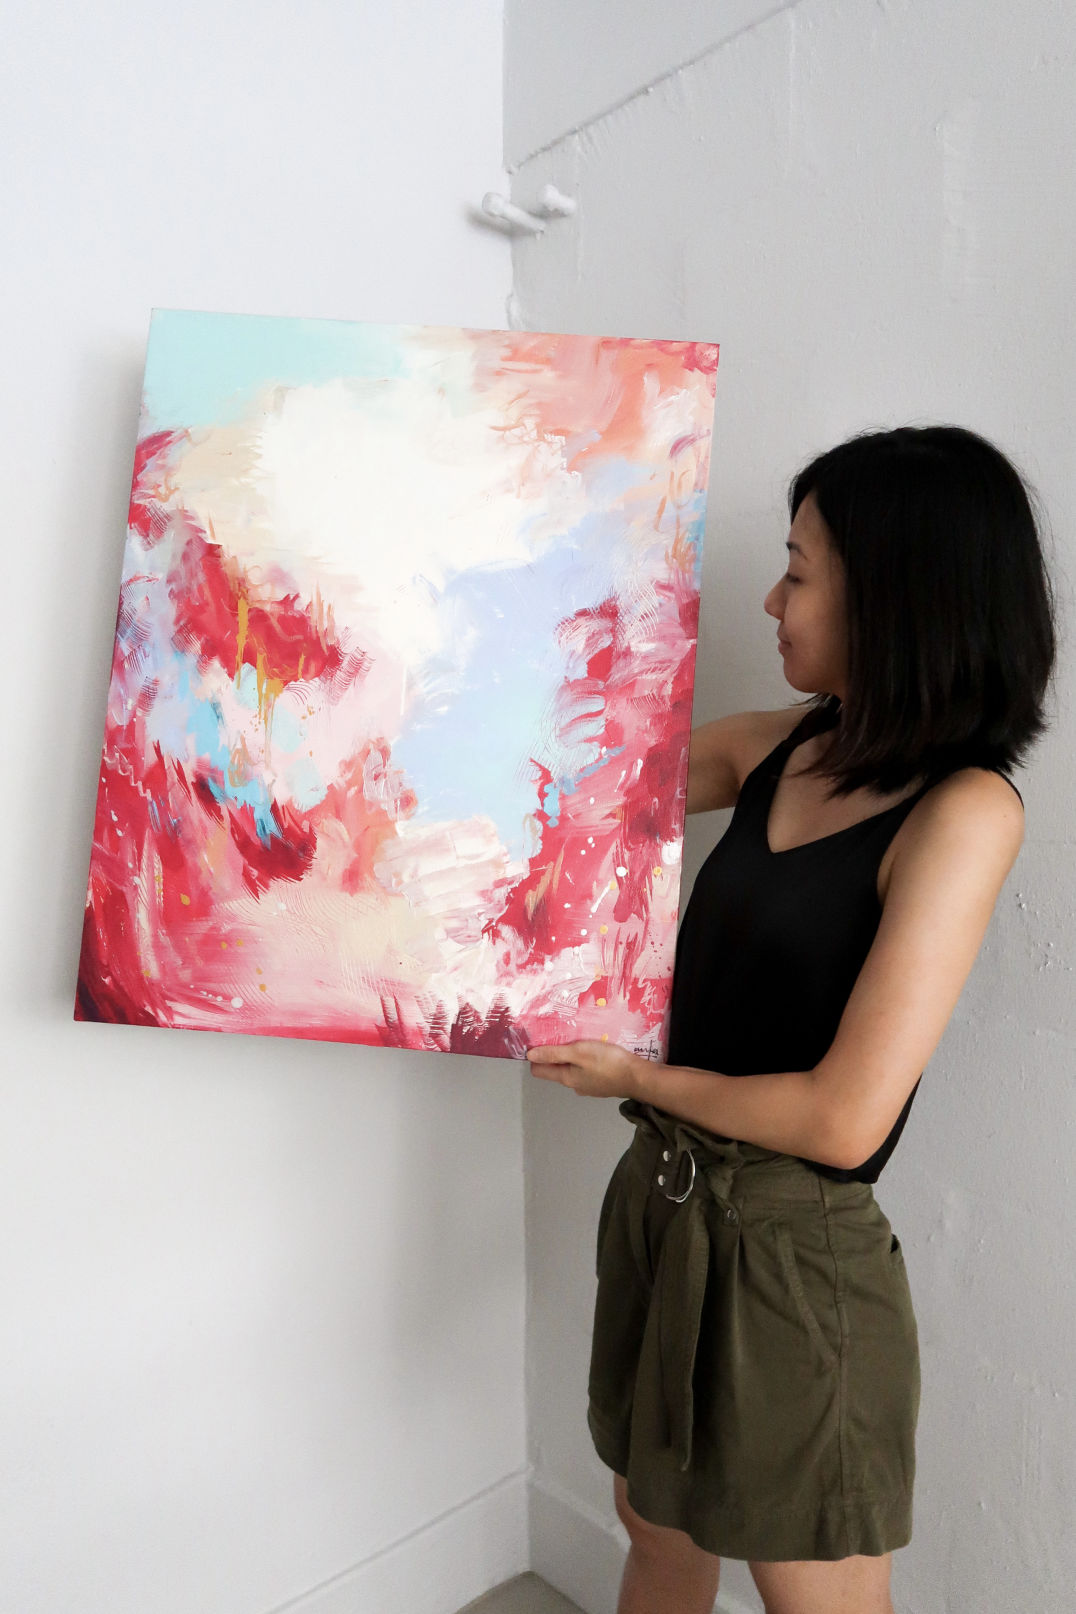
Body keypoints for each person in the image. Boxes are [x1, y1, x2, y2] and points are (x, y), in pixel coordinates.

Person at [526, 424, 1058, 1614]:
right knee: (652, 1531)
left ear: (895, 598)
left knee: (816, 1594)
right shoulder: (786, 746)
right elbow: (580, 789)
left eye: (797, 571)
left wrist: (634, 1076)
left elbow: (840, 1118)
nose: (769, 601)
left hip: (790, 1255)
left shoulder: (963, 813)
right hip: (662, 1205)